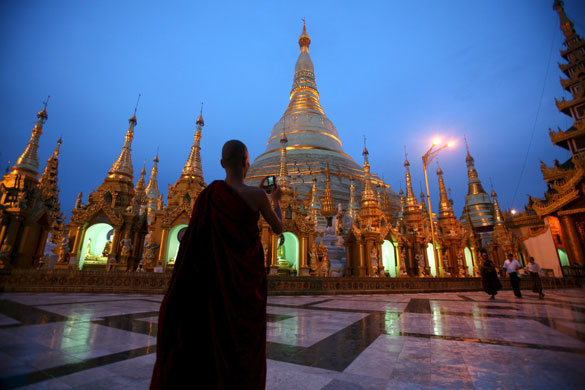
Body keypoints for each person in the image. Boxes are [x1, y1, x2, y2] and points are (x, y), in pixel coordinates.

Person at [150, 140, 283, 390]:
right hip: (244, 285)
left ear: (222, 164)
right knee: (240, 340)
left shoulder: (208, 195)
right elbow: (278, 227)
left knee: (209, 337)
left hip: (209, 283)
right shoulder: (256, 196)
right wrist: (275, 199)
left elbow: (194, 242)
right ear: (247, 163)